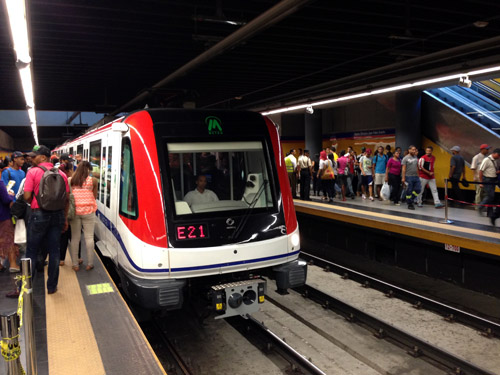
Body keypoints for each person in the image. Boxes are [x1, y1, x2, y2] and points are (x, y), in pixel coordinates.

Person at [24, 145, 69, 295]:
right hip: (57, 215)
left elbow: (26, 196)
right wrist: (65, 218)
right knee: (54, 251)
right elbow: (66, 198)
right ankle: (51, 287)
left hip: (39, 214)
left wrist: (35, 203)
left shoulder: (33, 172)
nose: (31, 158)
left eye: (34, 156)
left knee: (31, 250)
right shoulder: (61, 174)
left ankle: (27, 286)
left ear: (43, 157)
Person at [69, 161, 98, 271]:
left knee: (75, 238)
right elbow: (94, 196)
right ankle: (90, 263)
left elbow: (69, 196)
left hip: (75, 212)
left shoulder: (71, 180)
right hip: (89, 211)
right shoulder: (93, 181)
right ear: (89, 170)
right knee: (89, 237)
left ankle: (75, 264)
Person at [479, 148, 500, 225]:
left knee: (492, 196)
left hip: (493, 180)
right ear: (495, 153)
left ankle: (490, 213)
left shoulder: (494, 160)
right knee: (490, 196)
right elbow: (481, 171)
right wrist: (481, 182)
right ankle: (480, 206)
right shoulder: (486, 160)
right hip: (487, 180)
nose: (499, 157)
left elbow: (492, 170)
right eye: (498, 155)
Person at [0, 178, 17, 272]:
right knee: (9, 239)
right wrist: (10, 195)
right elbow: (6, 200)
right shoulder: (0, 182)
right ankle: (13, 264)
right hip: (3, 216)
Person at [401, 145, 421, 210]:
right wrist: (403, 178)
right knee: (409, 190)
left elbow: (417, 167)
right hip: (408, 177)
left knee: (418, 189)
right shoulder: (405, 158)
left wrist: (418, 176)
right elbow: (403, 169)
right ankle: (410, 204)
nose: (414, 151)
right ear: (409, 150)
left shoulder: (416, 157)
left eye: (415, 149)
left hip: (416, 177)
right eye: (412, 149)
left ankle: (410, 199)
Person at [471, 144, 490, 208]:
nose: (488, 151)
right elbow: (473, 168)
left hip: (485, 178)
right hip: (478, 178)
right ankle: (477, 206)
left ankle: (481, 206)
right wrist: (475, 177)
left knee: (484, 193)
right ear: (482, 149)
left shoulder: (487, 158)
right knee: (479, 193)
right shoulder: (476, 157)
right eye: (486, 149)